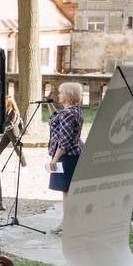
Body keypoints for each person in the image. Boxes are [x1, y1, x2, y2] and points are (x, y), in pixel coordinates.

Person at [48, 82, 85, 223]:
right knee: (68, 190)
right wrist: (49, 104)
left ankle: (68, 223)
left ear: (69, 95)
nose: (59, 95)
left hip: (67, 156)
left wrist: (55, 159)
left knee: (67, 191)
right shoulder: (74, 111)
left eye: (61, 92)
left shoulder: (68, 114)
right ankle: (66, 222)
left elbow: (64, 140)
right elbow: (56, 120)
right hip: (74, 155)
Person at [0, 99, 27, 168]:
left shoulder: (14, 112)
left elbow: (11, 124)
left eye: (6, 102)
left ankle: (24, 164)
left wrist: (2, 130)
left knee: (18, 150)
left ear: (10, 103)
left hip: (14, 133)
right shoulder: (7, 111)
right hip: (7, 133)